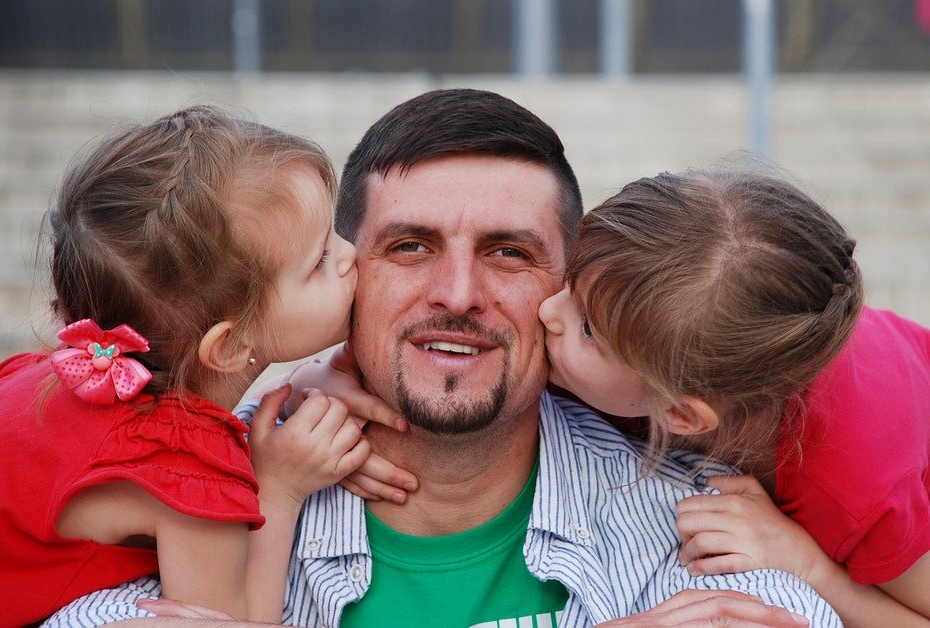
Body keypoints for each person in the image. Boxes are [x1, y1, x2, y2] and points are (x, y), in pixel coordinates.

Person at [45, 90, 839, 626]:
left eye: (509, 253)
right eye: (411, 246)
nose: (457, 293)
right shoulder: (177, 489)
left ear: (573, 291)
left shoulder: (701, 525)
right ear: (342, 273)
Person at [0, 105, 392, 625]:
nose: (351, 252)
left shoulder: (58, 373)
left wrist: (301, 380)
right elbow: (232, 622)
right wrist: (280, 487)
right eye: (319, 261)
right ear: (232, 345)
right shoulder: (183, 467)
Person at [538, 168, 930, 626]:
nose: (547, 310)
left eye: (587, 328)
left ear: (681, 414)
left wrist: (808, 564)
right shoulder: (678, 350)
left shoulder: (858, 485)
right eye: (570, 281)